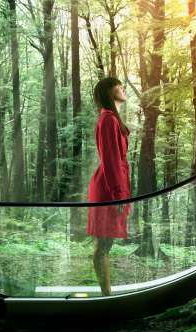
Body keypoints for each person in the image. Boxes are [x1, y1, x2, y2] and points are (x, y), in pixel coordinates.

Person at [86, 77, 131, 296]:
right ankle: (106, 296)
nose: (122, 88)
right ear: (108, 92)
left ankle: (107, 294)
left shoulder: (112, 119)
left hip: (113, 187)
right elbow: (111, 160)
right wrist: (118, 194)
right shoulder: (107, 120)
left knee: (106, 244)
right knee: (102, 245)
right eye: (118, 86)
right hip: (108, 189)